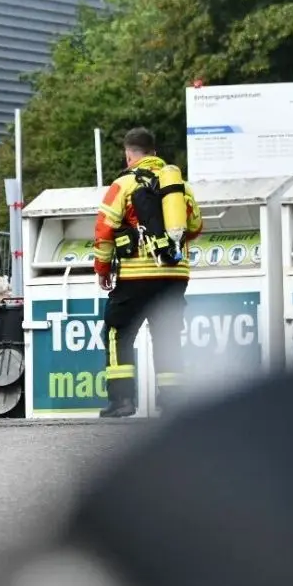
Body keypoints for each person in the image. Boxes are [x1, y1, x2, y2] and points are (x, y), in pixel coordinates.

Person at [91, 127, 204, 419]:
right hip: (175, 274)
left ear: (129, 155)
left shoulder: (123, 184)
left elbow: (104, 230)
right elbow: (194, 228)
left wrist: (102, 268)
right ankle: (172, 401)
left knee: (118, 332)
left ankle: (122, 401)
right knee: (167, 335)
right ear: (154, 153)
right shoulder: (180, 187)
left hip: (135, 275)